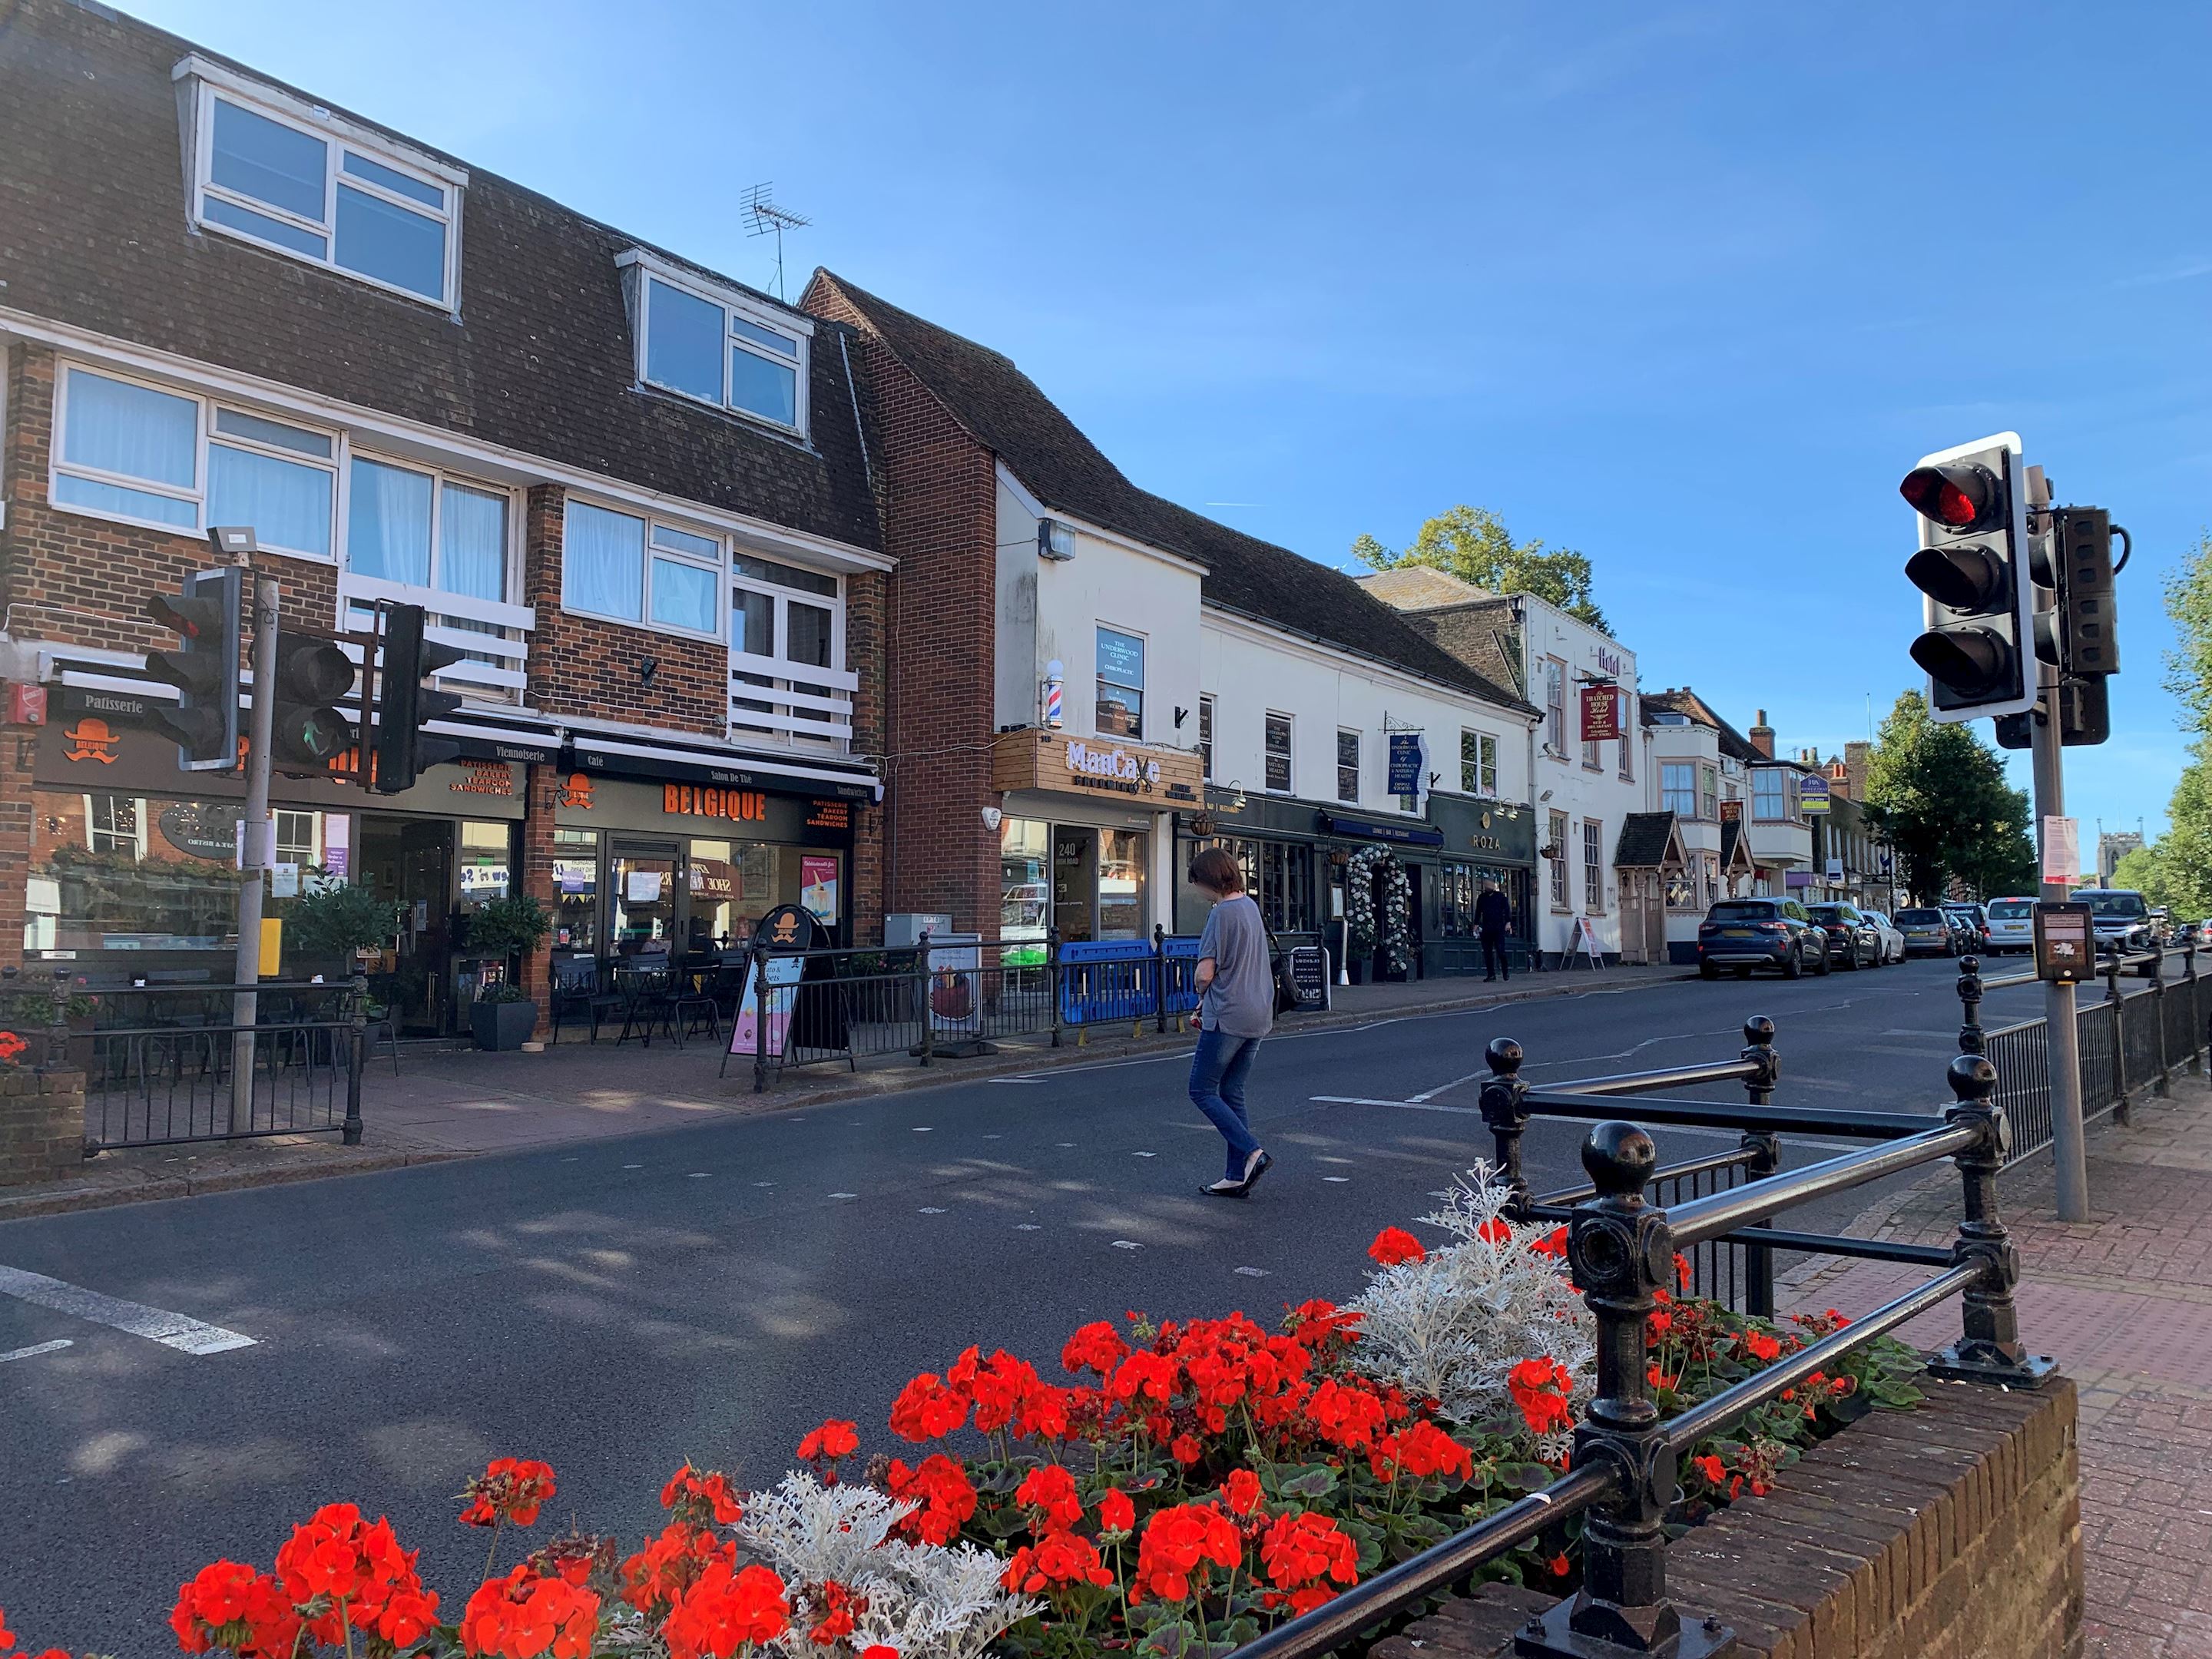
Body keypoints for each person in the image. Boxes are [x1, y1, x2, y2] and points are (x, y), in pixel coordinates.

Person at [1187, 846, 1276, 1198]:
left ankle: (1253, 1152)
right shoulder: (1250, 906)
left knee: (1201, 1089)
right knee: (1232, 1092)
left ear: (1210, 880)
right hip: (1258, 1011)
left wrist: (1198, 993)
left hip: (1227, 1013)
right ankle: (1236, 1176)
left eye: (1197, 882)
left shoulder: (1220, 914)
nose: (1197, 889)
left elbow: (1206, 973)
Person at [1475, 877, 1512, 982]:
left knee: (1501, 951)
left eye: (1489, 884)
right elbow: (1478, 911)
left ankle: (1505, 970)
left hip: (1498, 928)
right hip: (1487, 928)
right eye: (1486, 884)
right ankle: (1491, 975)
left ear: (1494, 885)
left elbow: (1507, 909)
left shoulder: (1500, 897)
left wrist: (1508, 922)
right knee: (1487, 952)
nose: (1488, 886)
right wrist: (1476, 924)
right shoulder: (1482, 897)